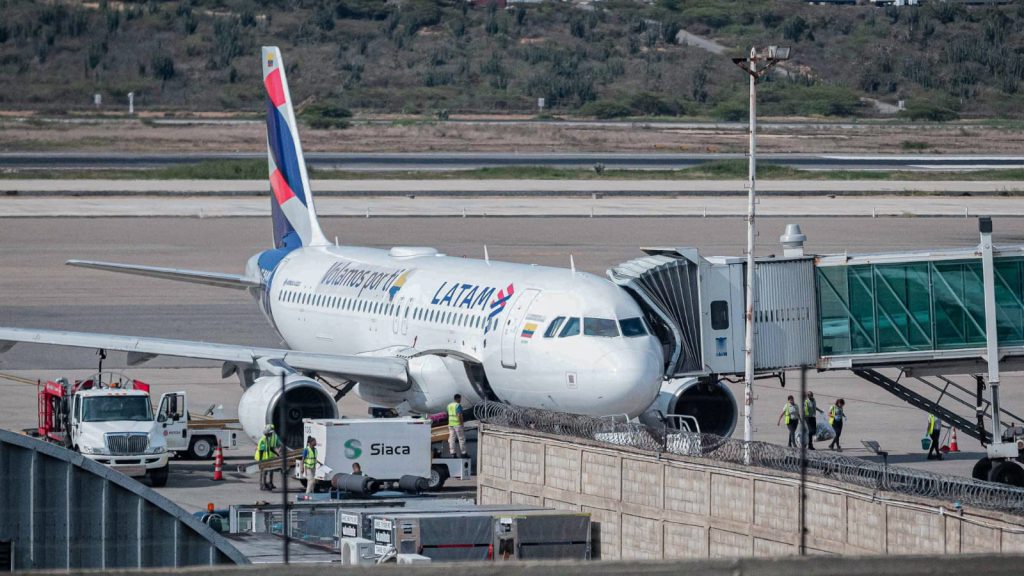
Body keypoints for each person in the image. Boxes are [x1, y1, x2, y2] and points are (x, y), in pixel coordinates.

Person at [254, 424, 280, 491]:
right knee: (263, 473)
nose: (271, 435)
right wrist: (260, 461)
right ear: (267, 433)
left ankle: (265, 484)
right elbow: (261, 451)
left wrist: (277, 454)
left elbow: (270, 448)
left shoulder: (267, 439)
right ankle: (262, 485)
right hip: (262, 459)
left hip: (266, 458)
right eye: (270, 433)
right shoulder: (263, 440)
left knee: (266, 472)